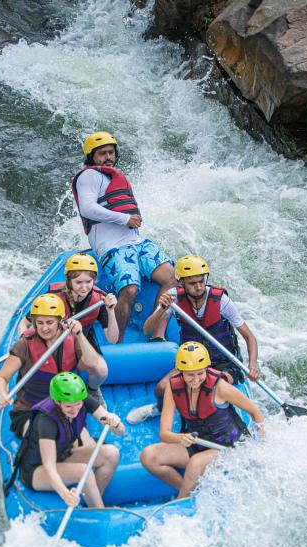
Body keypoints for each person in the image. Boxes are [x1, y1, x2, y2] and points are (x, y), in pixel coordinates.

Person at [127, 254, 261, 424]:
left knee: (208, 390)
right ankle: (158, 409)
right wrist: (162, 308)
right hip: (191, 360)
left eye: (201, 281)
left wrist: (253, 365)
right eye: (192, 283)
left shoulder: (222, 301)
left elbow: (249, 336)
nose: (199, 287)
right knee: (161, 388)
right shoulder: (173, 297)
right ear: (181, 282)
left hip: (224, 363)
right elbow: (148, 329)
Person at [70, 131, 176, 339]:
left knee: (170, 277)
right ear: (92, 157)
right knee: (129, 290)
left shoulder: (115, 177)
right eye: (102, 154)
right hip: (112, 247)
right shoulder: (89, 176)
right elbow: (87, 209)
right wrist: (124, 219)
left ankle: (157, 332)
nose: (108, 157)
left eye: (111, 153)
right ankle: (116, 340)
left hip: (136, 242)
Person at [140, 342, 263, 499]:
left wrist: (262, 444)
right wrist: (180, 438)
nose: (196, 380)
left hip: (230, 448)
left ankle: (181, 501)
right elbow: (164, 434)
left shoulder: (220, 388)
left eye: (200, 373)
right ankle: (190, 494)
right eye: (190, 375)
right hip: (198, 443)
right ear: (180, 371)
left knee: (195, 463)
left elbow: (255, 411)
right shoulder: (172, 387)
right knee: (149, 456)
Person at [12, 372, 126, 509]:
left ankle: (93, 500)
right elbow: (49, 465)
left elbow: (119, 431)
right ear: (57, 402)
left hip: (63, 454)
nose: (75, 410)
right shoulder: (46, 420)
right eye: (68, 406)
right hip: (37, 469)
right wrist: (65, 494)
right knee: (84, 471)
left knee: (111, 454)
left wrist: (116, 424)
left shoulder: (83, 399)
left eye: (78, 404)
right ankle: (100, 511)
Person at [0, 293, 102, 439]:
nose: (44, 328)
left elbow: (92, 363)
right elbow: (2, 377)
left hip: (65, 405)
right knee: (46, 439)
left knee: (83, 442)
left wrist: (80, 335)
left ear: (60, 320)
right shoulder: (25, 344)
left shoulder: (71, 336)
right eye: (40, 323)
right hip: (31, 408)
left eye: (49, 322)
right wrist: (2, 394)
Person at [18, 253, 118, 401]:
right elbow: (24, 323)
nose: (84, 287)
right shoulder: (53, 296)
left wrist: (111, 311)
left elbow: (112, 339)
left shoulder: (99, 299)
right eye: (78, 282)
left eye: (89, 282)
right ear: (69, 281)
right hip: (53, 338)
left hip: (81, 338)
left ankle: (92, 389)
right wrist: (24, 344)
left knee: (101, 370)